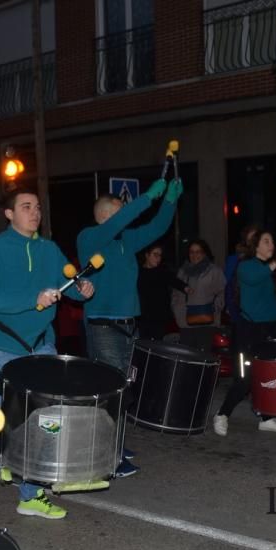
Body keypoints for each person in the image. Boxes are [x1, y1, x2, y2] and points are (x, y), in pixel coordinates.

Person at [0, 188, 94, 518]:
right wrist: (33, 297)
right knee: (0, 423)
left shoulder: (49, 249)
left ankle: (31, 494)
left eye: (37, 207)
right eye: (26, 207)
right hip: (2, 347)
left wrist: (83, 290)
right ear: (9, 214)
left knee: (45, 422)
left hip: (42, 345)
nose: (34, 212)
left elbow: (67, 284)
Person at [77, 178, 183, 477]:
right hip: (104, 327)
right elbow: (126, 218)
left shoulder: (125, 242)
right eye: (121, 211)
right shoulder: (90, 238)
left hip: (127, 326)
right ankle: (107, 459)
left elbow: (157, 228)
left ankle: (115, 445)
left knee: (123, 389)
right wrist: (147, 198)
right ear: (106, 216)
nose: (127, 215)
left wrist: (169, 201)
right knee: (112, 391)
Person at [212, 230, 276, 436]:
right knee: (245, 379)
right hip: (249, 330)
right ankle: (222, 414)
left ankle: (266, 417)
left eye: (272, 240)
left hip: (271, 329)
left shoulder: (274, 268)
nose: (271, 244)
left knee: (269, 375)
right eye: (266, 241)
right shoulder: (246, 267)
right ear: (256, 247)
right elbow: (255, 278)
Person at [172, 238, 225, 351]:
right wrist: (178, 312)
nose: (194, 255)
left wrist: (214, 308)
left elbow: (221, 293)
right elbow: (176, 294)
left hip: (206, 323)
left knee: (203, 358)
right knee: (187, 358)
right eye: (191, 252)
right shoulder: (183, 271)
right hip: (186, 323)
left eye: (198, 251)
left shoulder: (213, 271)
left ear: (204, 253)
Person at [136, 241, 187, 341]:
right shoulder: (138, 273)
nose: (158, 258)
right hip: (143, 319)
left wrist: (185, 287)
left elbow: (174, 280)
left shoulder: (162, 271)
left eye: (160, 255)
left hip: (160, 319)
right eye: (155, 255)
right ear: (147, 255)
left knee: (158, 348)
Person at [224, 224, 260, 324]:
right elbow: (228, 286)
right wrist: (231, 309)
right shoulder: (234, 260)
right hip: (240, 313)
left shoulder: (267, 260)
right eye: (251, 239)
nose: (254, 242)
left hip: (263, 314)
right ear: (245, 241)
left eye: (256, 238)